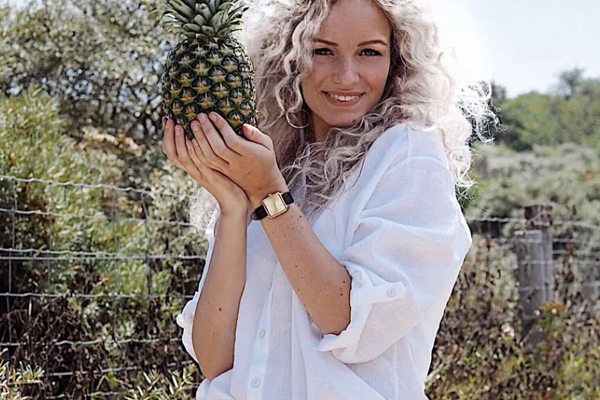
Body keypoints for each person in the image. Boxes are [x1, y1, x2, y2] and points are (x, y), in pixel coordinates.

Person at [162, 0, 497, 398]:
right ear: (288, 56)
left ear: (398, 60)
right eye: (323, 50)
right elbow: (215, 360)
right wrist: (234, 209)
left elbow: (351, 323)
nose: (346, 75)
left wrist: (268, 194)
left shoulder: (408, 154)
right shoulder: (273, 164)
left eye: (369, 52)